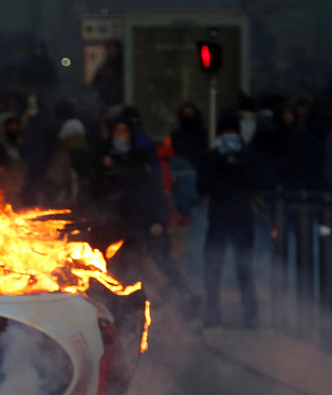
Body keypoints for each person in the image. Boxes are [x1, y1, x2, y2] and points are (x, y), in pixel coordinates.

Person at [89, 114, 200, 317]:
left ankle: (185, 298)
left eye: (124, 131)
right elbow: (97, 192)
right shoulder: (103, 159)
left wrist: (157, 219)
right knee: (121, 267)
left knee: (160, 260)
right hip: (116, 225)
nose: (120, 136)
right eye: (117, 132)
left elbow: (154, 190)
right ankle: (125, 308)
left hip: (144, 221)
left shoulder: (142, 157)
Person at [196, 113, 269, 328]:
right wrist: (218, 163)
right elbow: (201, 186)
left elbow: (260, 182)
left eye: (233, 133)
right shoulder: (211, 157)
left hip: (242, 221)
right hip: (218, 221)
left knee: (244, 270)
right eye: (226, 133)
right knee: (212, 270)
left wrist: (240, 164)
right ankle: (212, 315)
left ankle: (251, 314)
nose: (230, 137)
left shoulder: (249, 157)